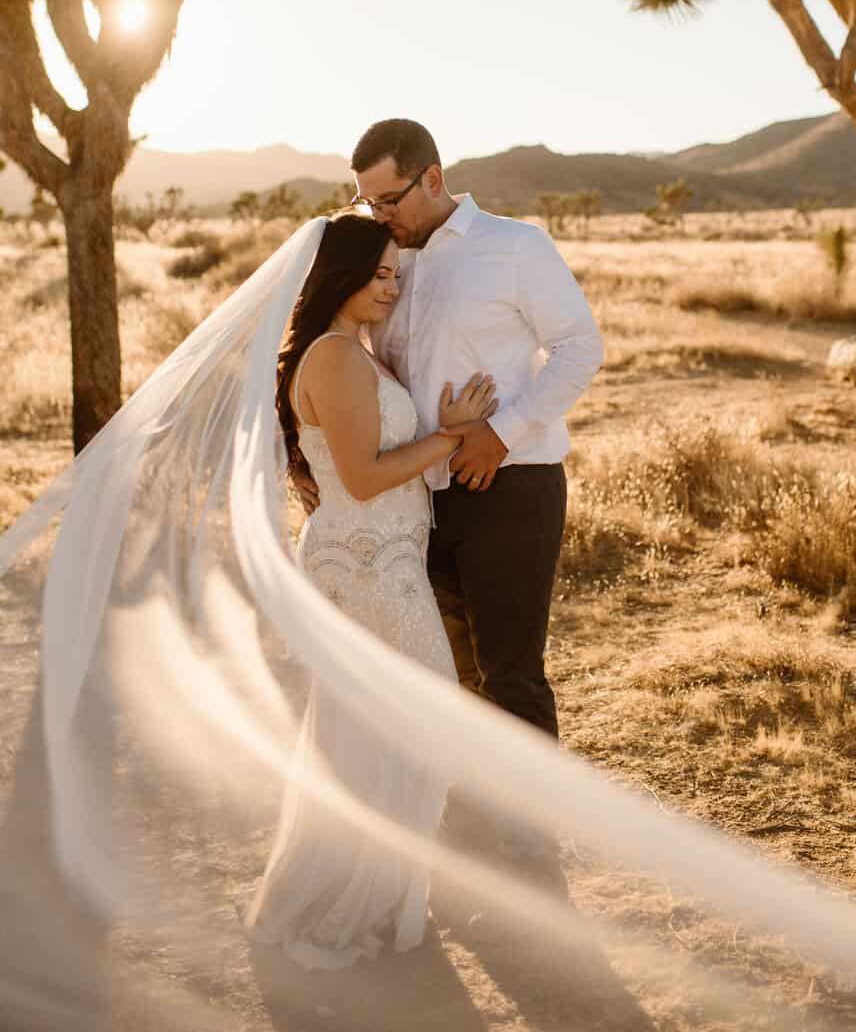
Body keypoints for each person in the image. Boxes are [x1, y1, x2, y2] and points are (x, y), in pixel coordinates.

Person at [295, 119, 604, 881]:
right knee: (449, 675)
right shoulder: (389, 264)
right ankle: (469, 836)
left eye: (389, 199)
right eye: (367, 205)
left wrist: (499, 432)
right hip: (420, 502)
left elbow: (580, 348)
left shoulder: (516, 247)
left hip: (512, 485)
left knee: (510, 673)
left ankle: (531, 852)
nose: (379, 217)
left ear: (433, 179)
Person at [245, 211, 498, 968]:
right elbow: (359, 479)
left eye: (396, 274)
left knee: (376, 729)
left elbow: (383, 467)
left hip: (381, 556)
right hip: (364, 565)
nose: (390, 288)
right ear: (340, 274)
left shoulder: (355, 354)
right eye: (379, 273)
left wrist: (439, 434)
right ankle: (345, 903)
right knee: (407, 725)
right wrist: (450, 435)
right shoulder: (334, 357)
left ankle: (380, 895)